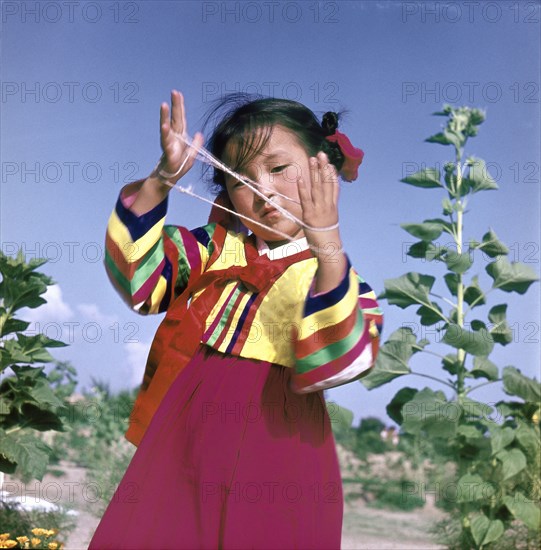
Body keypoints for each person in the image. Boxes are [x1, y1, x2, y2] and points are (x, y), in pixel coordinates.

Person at [88, 90, 383, 549]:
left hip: (281, 441)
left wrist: (328, 240)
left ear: (323, 168)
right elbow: (140, 283)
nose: (264, 190)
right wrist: (160, 181)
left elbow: (347, 357)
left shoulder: (330, 270)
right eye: (241, 179)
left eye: (279, 168)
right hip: (190, 431)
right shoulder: (213, 248)